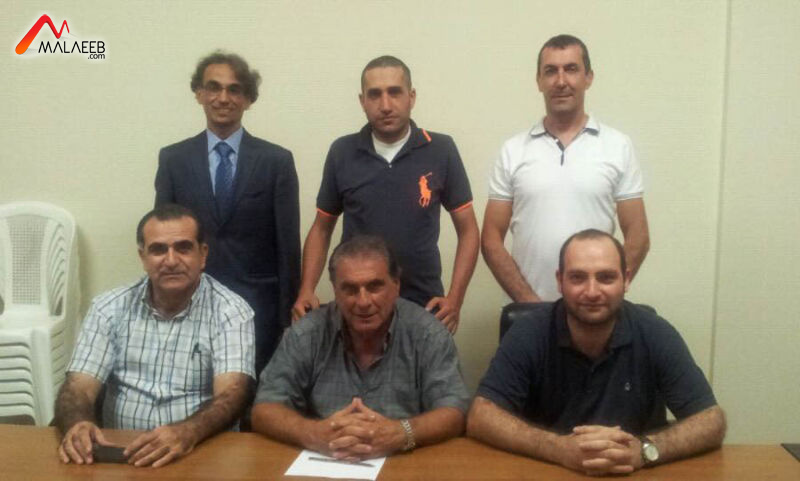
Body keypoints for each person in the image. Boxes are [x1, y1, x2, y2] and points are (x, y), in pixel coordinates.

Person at [467, 229, 726, 476]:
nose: (592, 292)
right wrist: (558, 449)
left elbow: (711, 421)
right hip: (548, 473)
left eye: (606, 277)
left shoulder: (655, 332)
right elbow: (481, 416)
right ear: (560, 281)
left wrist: (644, 451)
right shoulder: (529, 332)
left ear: (626, 279)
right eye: (578, 277)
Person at [54, 204, 255, 468]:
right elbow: (77, 387)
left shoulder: (231, 311)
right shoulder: (108, 308)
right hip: (121, 456)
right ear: (143, 257)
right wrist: (78, 424)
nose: (171, 261)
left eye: (183, 248)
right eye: (159, 249)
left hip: (200, 453)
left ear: (203, 254)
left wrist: (187, 432)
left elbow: (233, 394)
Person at [292, 55, 479, 333]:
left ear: (411, 97)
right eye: (375, 95)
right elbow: (321, 228)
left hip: (425, 305)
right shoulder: (342, 152)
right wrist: (307, 289)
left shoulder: (441, 149)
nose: (386, 105)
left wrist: (455, 298)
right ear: (362, 101)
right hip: (359, 305)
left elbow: (468, 230)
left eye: (395, 92)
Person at [253, 235, 469, 460]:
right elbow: (264, 408)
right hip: (325, 463)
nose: (363, 301)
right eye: (350, 289)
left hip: (404, 462)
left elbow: (455, 411)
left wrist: (402, 433)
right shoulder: (307, 333)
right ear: (335, 290)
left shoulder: (428, 334)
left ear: (396, 285)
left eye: (374, 287)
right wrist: (313, 434)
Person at [155, 51, 300, 373]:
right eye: (213, 87)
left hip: (258, 306)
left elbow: (288, 246)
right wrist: (164, 301)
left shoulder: (276, 161)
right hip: (191, 300)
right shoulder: (173, 160)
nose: (223, 98)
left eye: (234, 89)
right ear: (199, 93)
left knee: (252, 391)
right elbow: (161, 238)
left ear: (248, 99)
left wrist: (287, 318)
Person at [482, 34, 650, 303]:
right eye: (551, 71)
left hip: (594, 311)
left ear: (588, 77)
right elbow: (491, 239)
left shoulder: (618, 146)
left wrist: (606, 292)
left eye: (571, 69)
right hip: (528, 312)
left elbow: (638, 236)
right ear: (539, 81)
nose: (561, 81)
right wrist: (529, 303)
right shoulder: (513, 150)